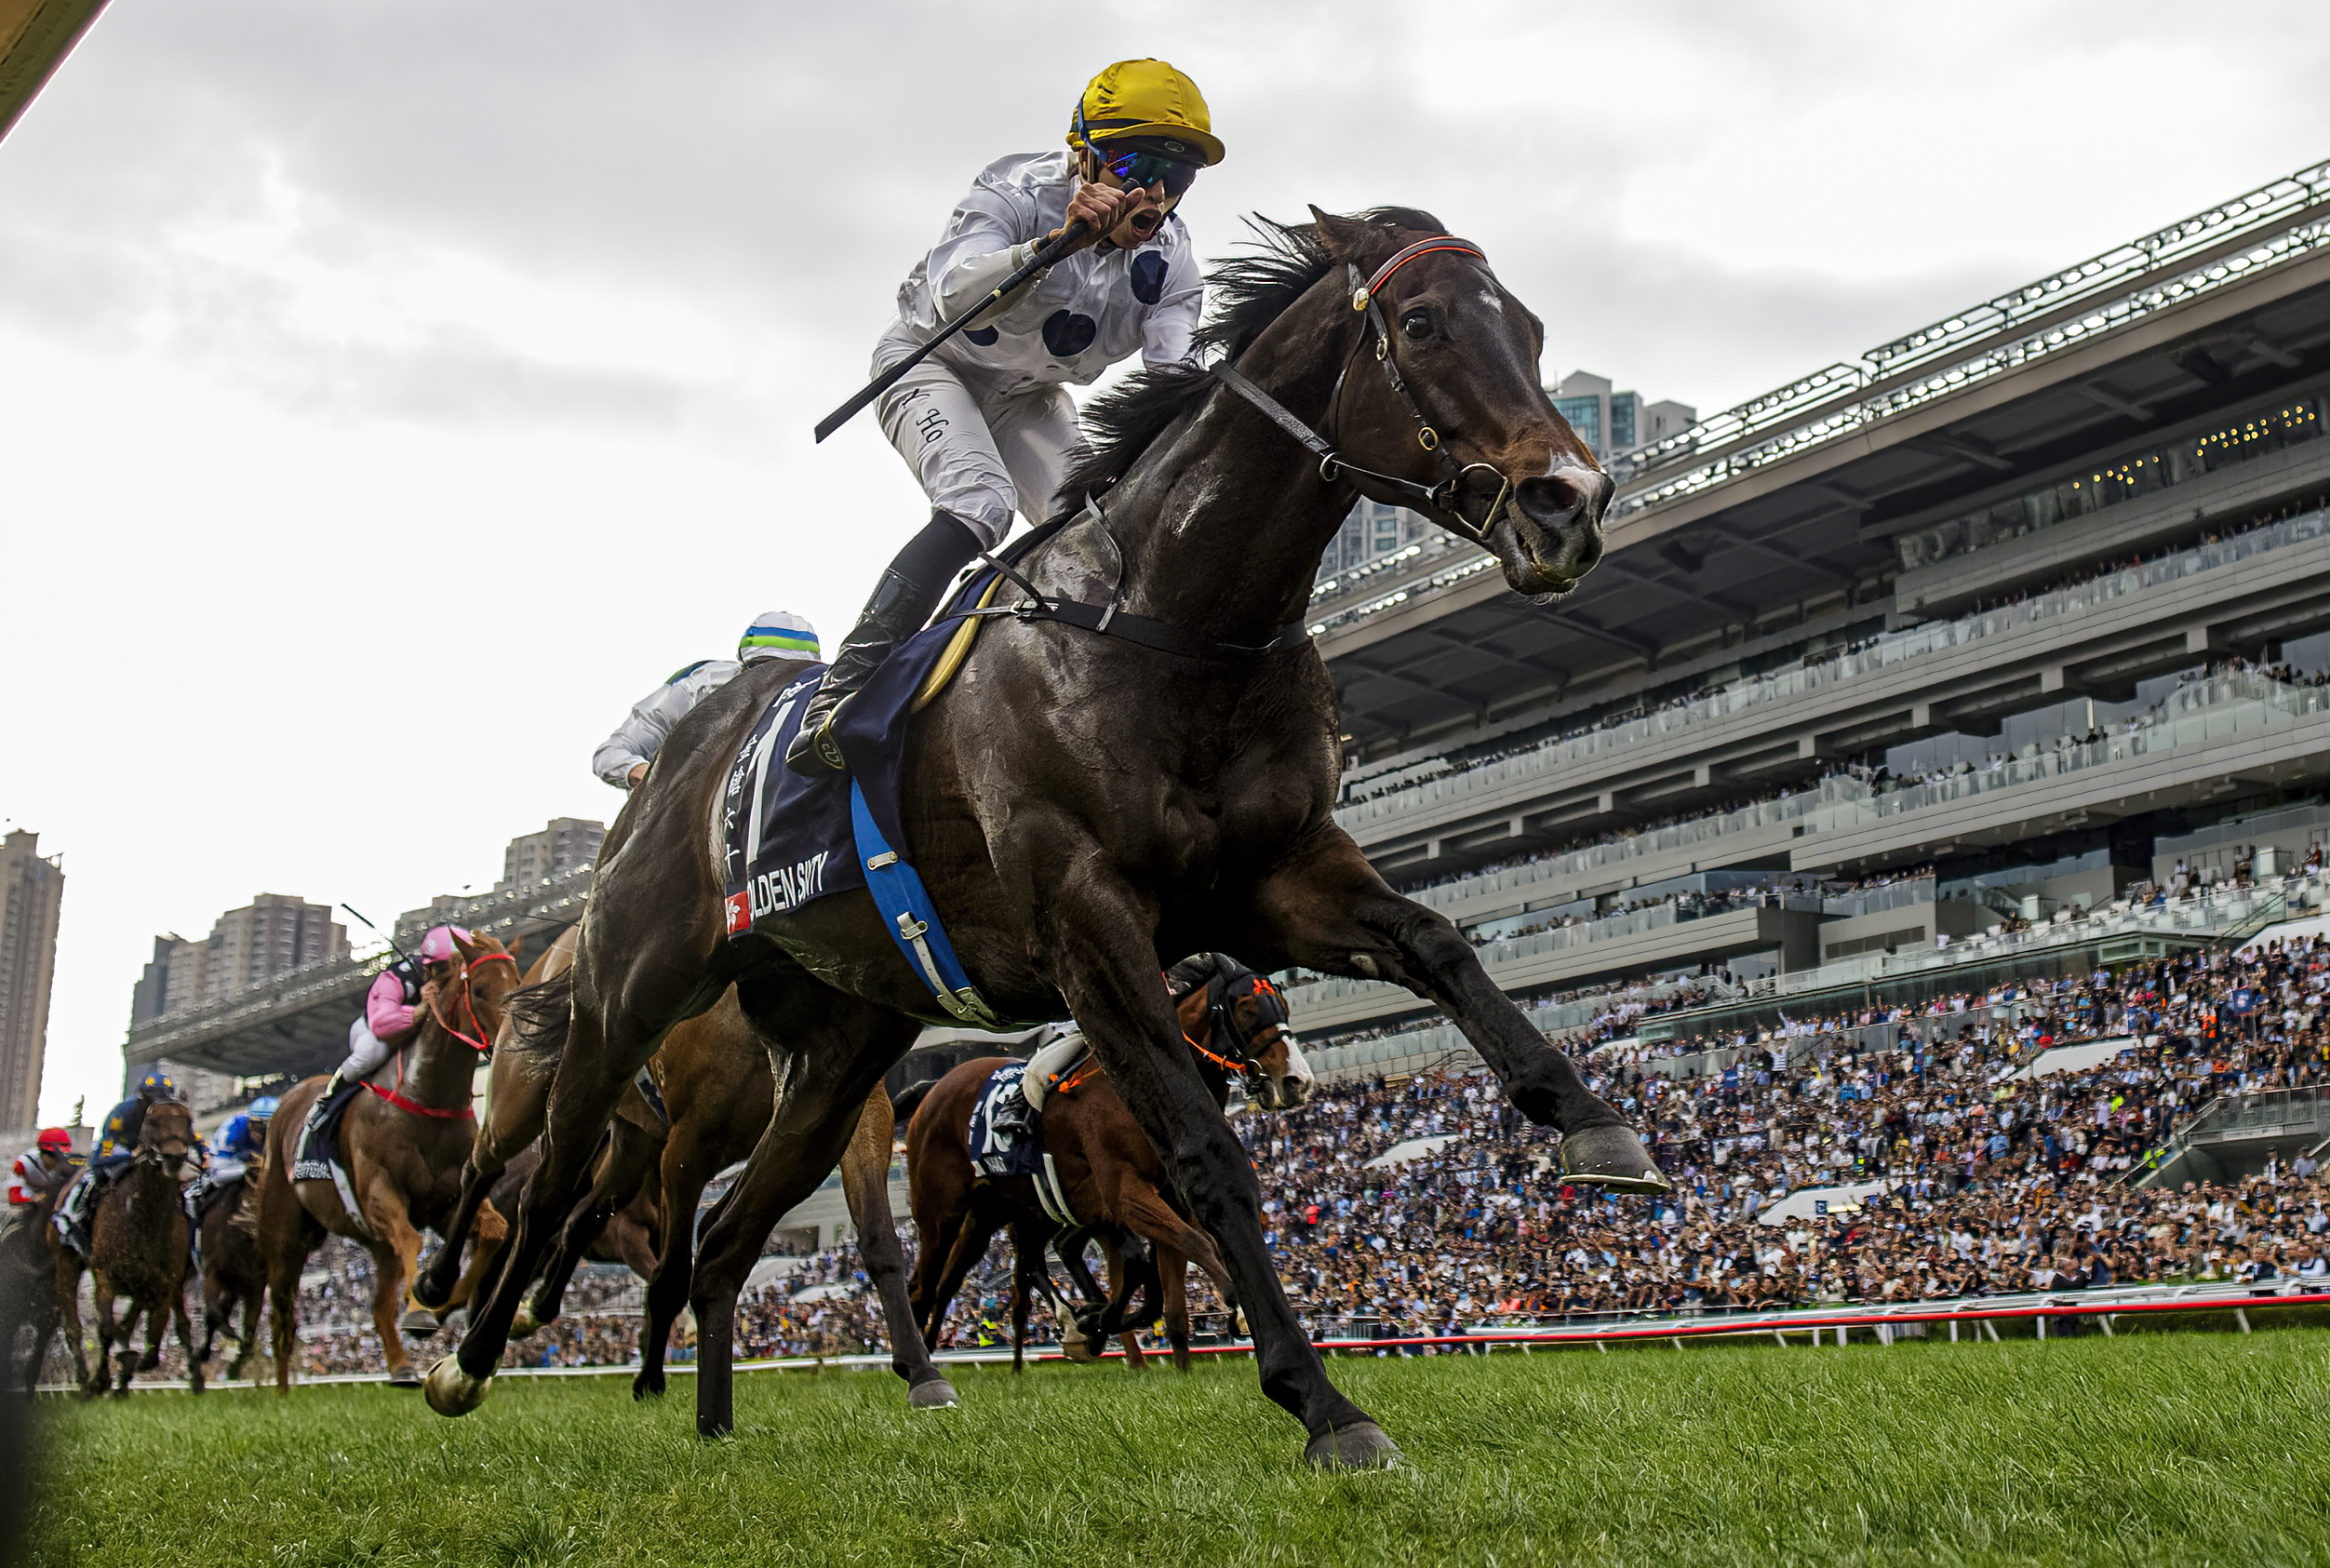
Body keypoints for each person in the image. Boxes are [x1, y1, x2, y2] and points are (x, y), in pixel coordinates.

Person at [787, 58, 1224, 774]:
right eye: (1139, 165)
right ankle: (840, 695)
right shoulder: (1015, 189)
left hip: (1028, 397)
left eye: (1177, 179)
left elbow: (1171, 387)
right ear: (1082, 151)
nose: (1154, 195)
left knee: (1094, 528)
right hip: (934, 361)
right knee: (979, 501)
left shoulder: (1174, 267)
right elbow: (954, 293)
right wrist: (1055, 245)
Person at [591, 610, 823, 790]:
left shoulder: (818, 698)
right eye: (763, 669)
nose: (773, 682)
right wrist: (648, 776)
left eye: (792, 675)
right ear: (743, 665)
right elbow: (611, 753)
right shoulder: (697, 686)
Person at [301, 924, 475, 1145]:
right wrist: (420, 1010)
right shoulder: (397, 977)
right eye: (443, 969)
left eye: (461, 968)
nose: (453, 978)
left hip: (419, 1036)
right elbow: (382, 1025)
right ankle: (328, 1102)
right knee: (371, 1052)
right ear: (428, 967)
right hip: (375, 1032)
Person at [52, 1071, 186, 1257]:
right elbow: (108, 1144)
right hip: (114, 1155)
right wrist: (129, 1153)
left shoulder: (168, 1116)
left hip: (148, 1157)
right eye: (153, 1099)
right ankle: (75, 1216)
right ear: (142, 1098)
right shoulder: (123, 1112)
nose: (157, 1105)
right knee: (94, 1178)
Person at [4, 1128, 81, 1236]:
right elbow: (13, 1198)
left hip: (52, 1198)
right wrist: (33, 1199)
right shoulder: (23, 1164)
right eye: (53, 1156)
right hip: (28, 1197)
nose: (57, 1161)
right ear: (42, 1152)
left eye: (61, 1156)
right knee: (18, 1215)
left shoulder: (68, 1165)